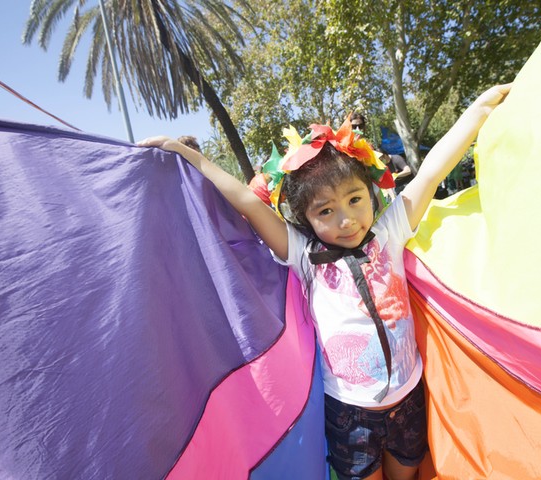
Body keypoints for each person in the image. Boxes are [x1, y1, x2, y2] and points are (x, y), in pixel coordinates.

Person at [138, 83, 511, 480]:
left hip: (410, 400)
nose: (346, 220)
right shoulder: (303, 255)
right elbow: (247, 202)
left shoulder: (391, 230)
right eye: (326, 211)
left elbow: (435, 167)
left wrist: (482, 107)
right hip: (350, 414)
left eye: (354, 200)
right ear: (307, 219)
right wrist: (188, 156)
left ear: (371, 194)